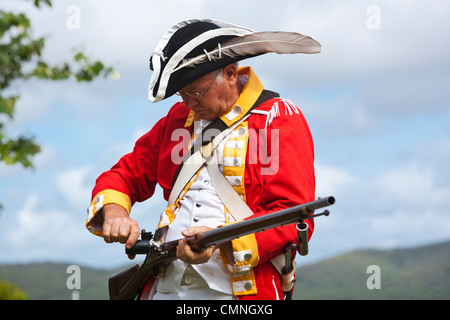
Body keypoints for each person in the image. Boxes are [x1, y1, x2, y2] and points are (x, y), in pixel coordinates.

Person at [85, 18, 321, 300]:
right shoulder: (177, 121)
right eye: (183, 94)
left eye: (197, 92)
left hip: (241, 291)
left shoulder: (276, 120)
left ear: (231, 73)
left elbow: (294, 216)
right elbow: (124, 174)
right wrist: (115, 214)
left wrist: (224, 242)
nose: (188, 103)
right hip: (165, 286)